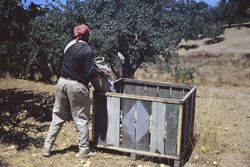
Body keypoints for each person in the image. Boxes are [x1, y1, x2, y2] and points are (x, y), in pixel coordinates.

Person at [42, 24, 100, 159]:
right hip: (77, 86)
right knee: (80, 119)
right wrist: (100, 72)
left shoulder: (69, 46)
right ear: (88, 35)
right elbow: (89, 72)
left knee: (57, 117)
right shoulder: (87, 50)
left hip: (61, 82)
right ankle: (84, 151)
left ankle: (46, 148)